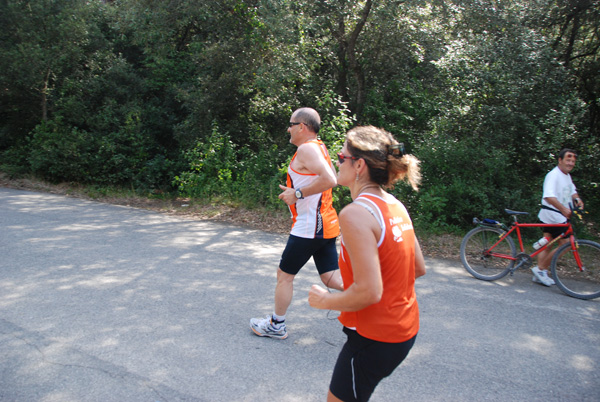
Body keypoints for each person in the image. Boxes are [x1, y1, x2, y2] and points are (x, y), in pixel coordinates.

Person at [308, 126, 426, 402]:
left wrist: (325, 300)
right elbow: (417, 268)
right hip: (404, 330)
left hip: (374, 338)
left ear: (359, 165)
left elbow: (369, 292)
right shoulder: (394, 205)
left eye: (340, 156)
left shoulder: (355, 214)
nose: (335, 161)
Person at [250, 107, 344, 340]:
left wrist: (298, 194)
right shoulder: (320, 147)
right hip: (325, 224)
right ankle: (372, 295)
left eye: (291, 124)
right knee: (329, 275)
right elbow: (331, 177)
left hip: (310, 226)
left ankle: (276, 325)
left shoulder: (306, 149)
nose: (288, 129)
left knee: (284, 275)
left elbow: (331, 180)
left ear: (302, 127)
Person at [532, 148, 584, 286]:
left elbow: (572, 191)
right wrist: (563, 209)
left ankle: (540, 273)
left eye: (573, 161)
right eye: (568, 159)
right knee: (566, 244)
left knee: (547, 244)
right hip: (553, 215)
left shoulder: (566, 175)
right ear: (560, 160)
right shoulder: (554, 175)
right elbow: (548, 196)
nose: (571, 163)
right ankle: (540, 269)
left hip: (557, 215)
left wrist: (578, 199)